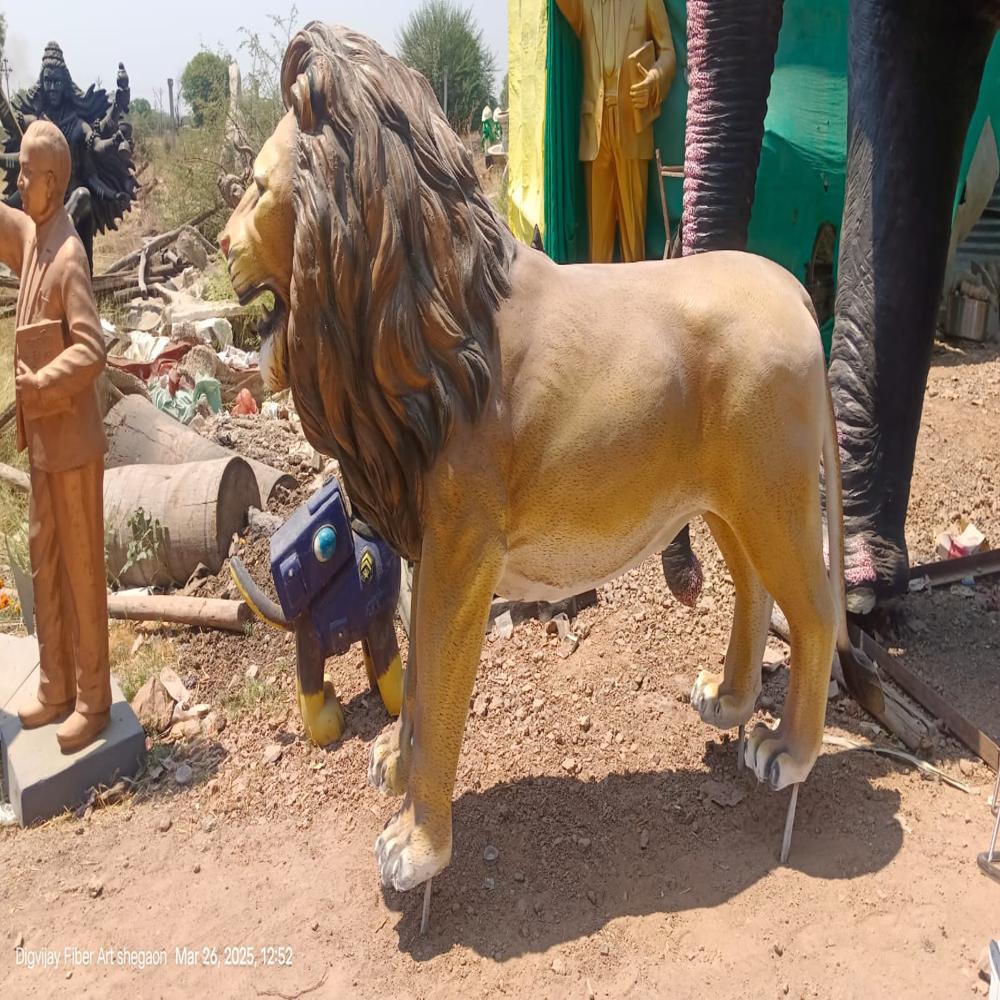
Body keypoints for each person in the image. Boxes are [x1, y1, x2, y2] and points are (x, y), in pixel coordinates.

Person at [0, 120, 111, 754]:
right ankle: (55, 685)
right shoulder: (33, 237)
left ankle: (94, 701)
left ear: (50, 183)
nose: (16, 183)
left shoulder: (67, 256)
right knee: (44, 562)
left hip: (72, 444)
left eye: (23, 174)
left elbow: (92, 349)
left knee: (81, 570)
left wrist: (41, 382)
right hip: (44, 444)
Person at [555, 0, 676, 262]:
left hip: (632, 124)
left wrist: (653, 81)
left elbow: (668, 53)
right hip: (595, 131)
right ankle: (597, 300)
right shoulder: (584, 5)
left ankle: (639, 297)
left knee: (634, 235)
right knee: (598, 237)